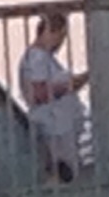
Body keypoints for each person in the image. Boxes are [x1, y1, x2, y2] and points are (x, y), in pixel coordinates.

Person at [20, 10, 90, 182]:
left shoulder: (44, 58)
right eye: (61, 36)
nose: (61, 42)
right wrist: (69, 85)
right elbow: (39, 93)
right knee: (64, 174)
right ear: (50, 32)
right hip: (55, 128)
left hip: (62, 127)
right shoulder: (37, 58)